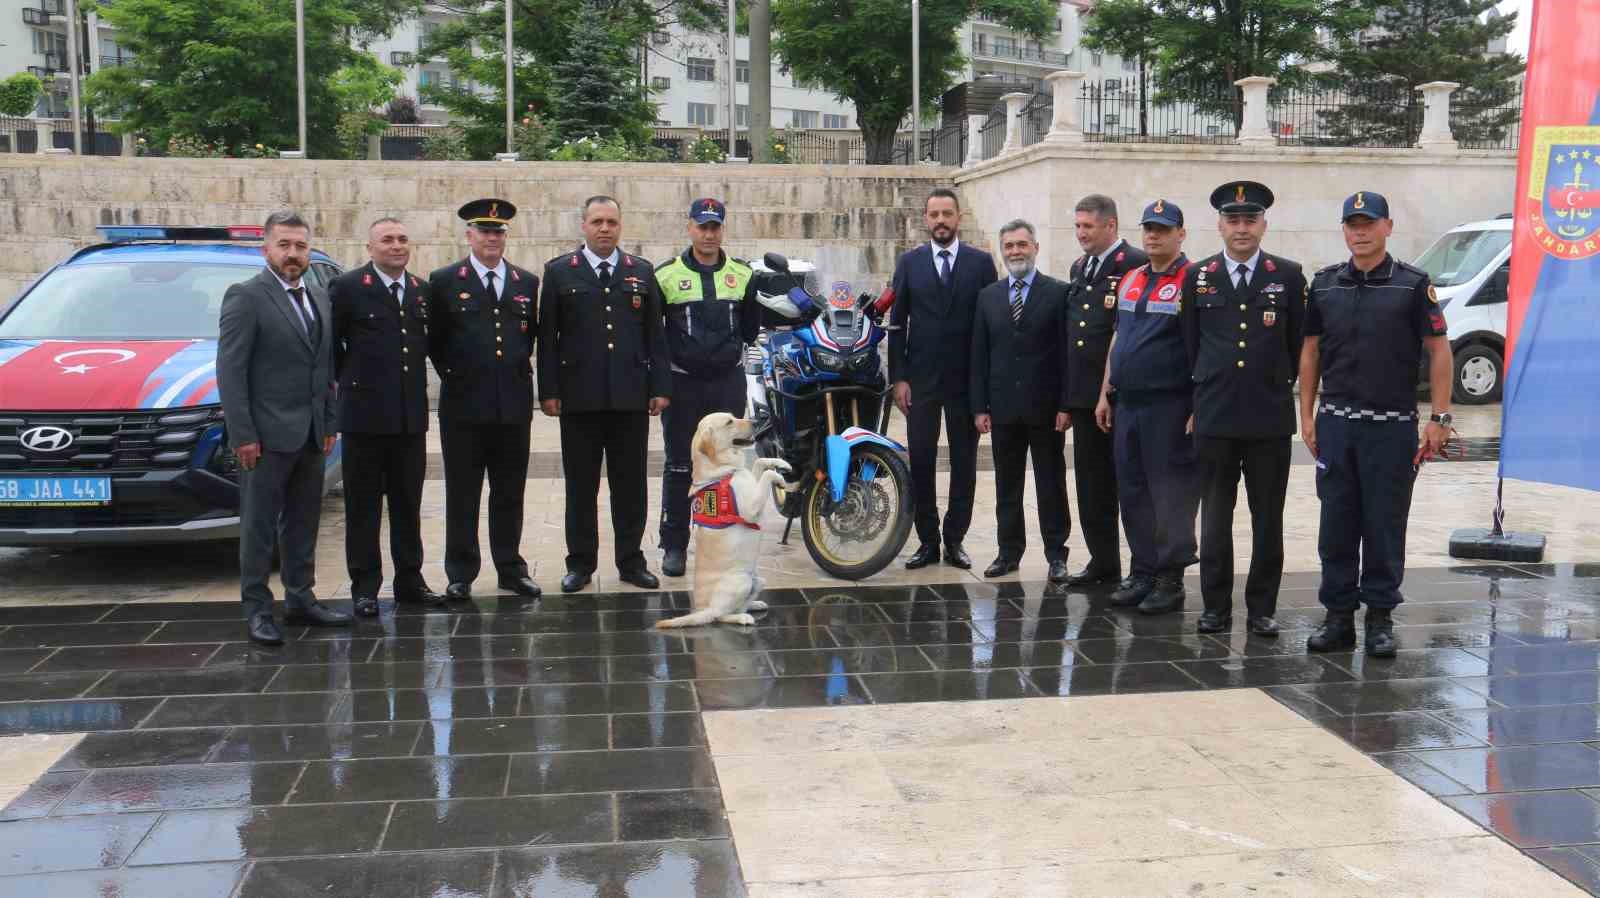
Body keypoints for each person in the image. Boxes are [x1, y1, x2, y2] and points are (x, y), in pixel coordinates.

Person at [1301, 191, 1452, 658]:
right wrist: (1306, 414)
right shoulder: (1324, 285)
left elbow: (1440, 350)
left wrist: (1440, 418)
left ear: (1388, 226)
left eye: (1369, 223)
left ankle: (1381, 619)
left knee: (1385, 524)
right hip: (1337, 425)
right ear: (1344, 230)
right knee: (1337, 523)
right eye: (1352, 224)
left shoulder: (1411, 285)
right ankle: (1338, 617)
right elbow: (1311, 351)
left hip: (1391, 428)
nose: (1360, 232)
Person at [216, 210, 350, 645]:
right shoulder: (246, 296)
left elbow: (325, 365)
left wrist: (329, 421)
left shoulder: (317, 294)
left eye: (300, 246)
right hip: (265, 437)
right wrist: (243, 436)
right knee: (258, 527)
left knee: (302, 522)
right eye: (284, 245)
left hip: (312, 433)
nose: (293, 254)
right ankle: (257, 609)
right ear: (267, 250)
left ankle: (300, 599)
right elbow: (231, 372)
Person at [1181, 181, 1306, 638]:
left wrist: (1275, 381)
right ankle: (1215, 606)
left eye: (1249, 220)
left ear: (1263, 225)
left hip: (1267, 416)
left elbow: (1297, 346)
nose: (1241, 228)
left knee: (1267, 517)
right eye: (1233, 220)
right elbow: (1190, 344)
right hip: (1214, 416)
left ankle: (1261, 609)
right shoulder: (1198, 276)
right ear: (1219, 225)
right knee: (1215, 516)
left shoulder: (1288, 275)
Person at [538, 195, 671, 593]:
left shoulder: (641, 272)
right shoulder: (561, 272)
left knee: (630, 486)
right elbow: (548, 340)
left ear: (620, 225)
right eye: (597, 221)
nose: (604, 229)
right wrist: (549, 391)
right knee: (581, 487)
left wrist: (660, 387)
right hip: (579, 400)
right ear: (583, 225)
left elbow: (655, 337)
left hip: (630, 398)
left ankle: (631, 562)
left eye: (611, 221)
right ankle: (580, 564)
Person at [329, 217, 445, 617]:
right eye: (387, 240)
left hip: (409, 419)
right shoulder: (347, 288)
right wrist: (351, 383)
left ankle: (410, 581)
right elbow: (332, 350)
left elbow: (432, 347)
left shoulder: (421, 291)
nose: (396, 246)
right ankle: (364, 587)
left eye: (402, 239)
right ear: (370, 247)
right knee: (363, 508)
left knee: (407, 504)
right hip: (362, 418)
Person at [427, 198, 541, 601]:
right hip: (463, 408)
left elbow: (525, 339)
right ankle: (460, 572)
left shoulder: (526, 282)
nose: (492, 238)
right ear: (469, 235)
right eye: (484, 231)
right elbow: (436, 343)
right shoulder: (443, 281)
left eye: (499, 231)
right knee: (463, 493)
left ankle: (510, 567)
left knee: (510, 492)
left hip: (512, 405)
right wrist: (463, 377)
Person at [1094, 199, 1199, 616]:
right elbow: (1118, 340)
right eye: (1148, 229)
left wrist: (1197, 405)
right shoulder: (1132, 278)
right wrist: (1105, 391)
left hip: (1170, 406)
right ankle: (1142, 569)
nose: (1153, 236)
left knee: (1170, 494)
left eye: (1163, 229)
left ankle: (1170, 579)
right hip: (1128, 404)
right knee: (1133, 491)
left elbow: (1202, 348)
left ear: (1181, 234)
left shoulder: (1195, 280)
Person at [889, 187, 999, 571]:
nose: (940, 221)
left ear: (958, 218)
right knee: (920, 460)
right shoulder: (909, 263)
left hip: (965, 382)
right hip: (920, 381)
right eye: (934, 214)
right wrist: (899, 378)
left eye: (946, 214)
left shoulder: (981, 263)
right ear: (925, 219)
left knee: (965, 463)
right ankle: (927, 541)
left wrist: (985, 386)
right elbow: (897, 324)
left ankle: (955, 540)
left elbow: (990, 325)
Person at [653, 198, 761, 579]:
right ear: (690, 228)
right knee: (681, 465)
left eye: (715, 227)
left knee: (726, 467)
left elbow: (750, 328)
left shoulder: (743, 274)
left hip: (726, 383)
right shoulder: (665, 275)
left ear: (722, 230)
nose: (709, 234)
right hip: (683, 384)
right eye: (702, 226)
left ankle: (719, 543)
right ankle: (674, 546)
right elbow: (656, 335)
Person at [970, 219, 1073, 582]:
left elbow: (1065, 354)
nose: (1016, 251)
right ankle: (1008, 552)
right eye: (1010, 246)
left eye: (1022, 245)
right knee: (1006, 485)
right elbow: (979, 355)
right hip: (1002, 410)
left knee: (1051, 484)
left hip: (1046, 410)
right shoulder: (988, 297)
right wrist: (980, 407)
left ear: (1035, 248)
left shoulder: (1059, 293)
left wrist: (1065, 404)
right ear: (1003, 251)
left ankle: (1057, 555)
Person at [1062, 194, 1147, 587]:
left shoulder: (1133, 264)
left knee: (1127, 484)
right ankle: (1103, 560)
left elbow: (1123, 331)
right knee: (1091, 485)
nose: (1081, 233)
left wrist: (1108, 390)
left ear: (1110, 225)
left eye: (1088, 226)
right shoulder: (1080, 267)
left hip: (1118, 394)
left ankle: (1141, 567)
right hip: (1083, 397)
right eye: (1078, 226)